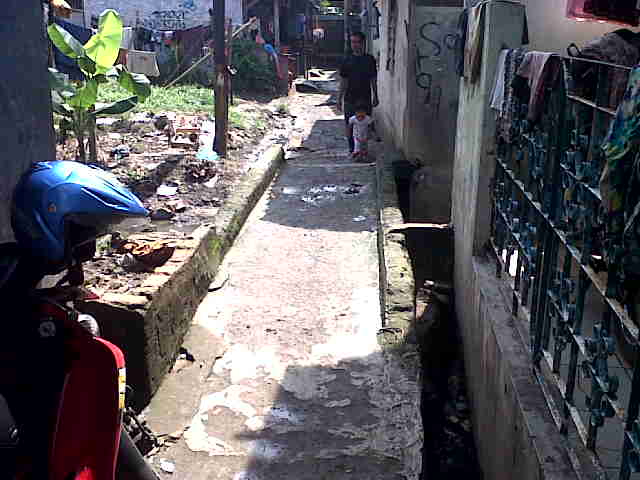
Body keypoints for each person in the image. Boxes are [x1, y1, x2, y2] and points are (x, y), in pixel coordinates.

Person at [337, 31, 379, 154]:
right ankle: (352, 150)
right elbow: (343, 81)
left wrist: (376, 95)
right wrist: (339, 99)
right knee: (350, 124)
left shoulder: (369, 59)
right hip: (350, 98)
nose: (355, 45)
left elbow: (373, 79)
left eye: (357, 42)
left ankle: (363, 150)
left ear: (363, 43)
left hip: (365, 97)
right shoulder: (346, 60)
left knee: (365, 126)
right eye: (353, 42)